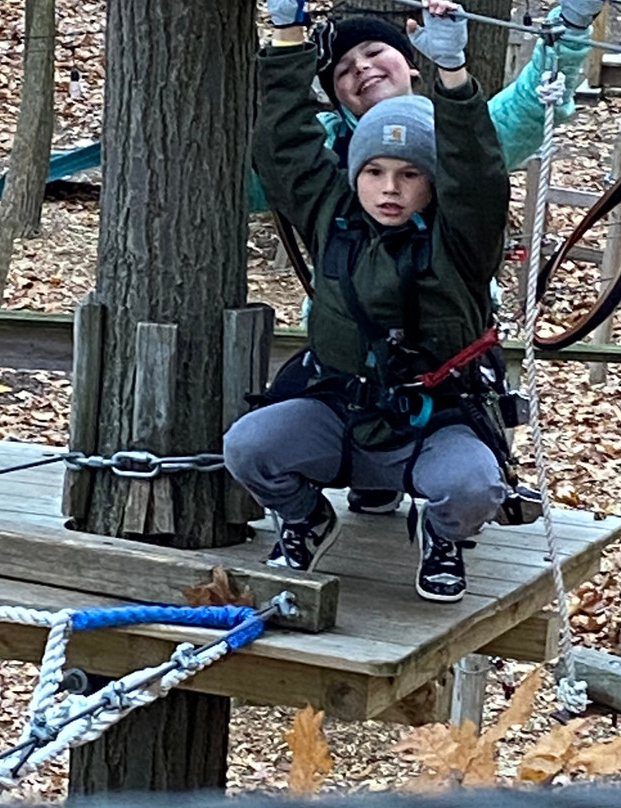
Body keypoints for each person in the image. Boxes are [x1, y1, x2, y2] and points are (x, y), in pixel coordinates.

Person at [224, 0, 512, 603]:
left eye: (408, 175)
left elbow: (478, 172)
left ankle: (442, 536)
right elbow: (286, 144)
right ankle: (306, 519)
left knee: (474, 487)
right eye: (374, 172)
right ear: (353, 174)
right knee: (250, 447)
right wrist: (285, 35)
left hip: (438, 419)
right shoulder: (334, 219)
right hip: (343, 411)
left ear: (432, 182)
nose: (389, 188)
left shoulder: (461, 241)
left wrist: (453, 73)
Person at [286, 0, 604, 517]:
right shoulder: (324, 154)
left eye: (373, 52)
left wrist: (568, 30)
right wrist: (283, 45)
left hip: (446, 351)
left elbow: (528, 106)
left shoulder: (463, 133)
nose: (362, 68)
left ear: (409, 60)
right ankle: (364, 476)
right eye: (344, 69)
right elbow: (274, 155)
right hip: (352, 354)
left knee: (458, 451)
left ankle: (447, 512)